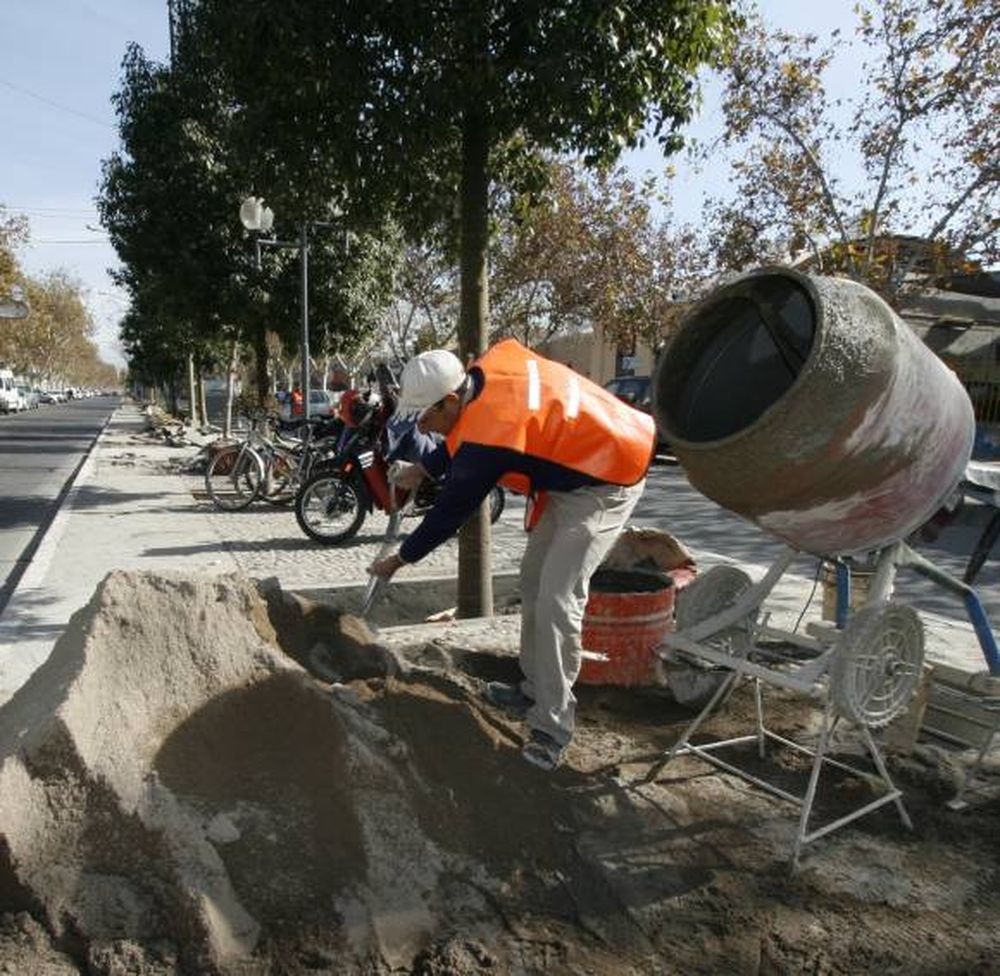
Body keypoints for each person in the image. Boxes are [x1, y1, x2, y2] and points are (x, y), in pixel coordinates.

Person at [368, 339, 655, 771]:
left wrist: (398, 560)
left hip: (609, 476)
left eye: (427, 417)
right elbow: (464, 441)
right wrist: (425, 467)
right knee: (533, 580)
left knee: (559, 599)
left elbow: (450, 510)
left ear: (449, 399)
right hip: (574, 476)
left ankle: (553, 727)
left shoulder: (490, 428)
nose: (425, 428)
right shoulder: (482, 381)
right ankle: (534, 688)